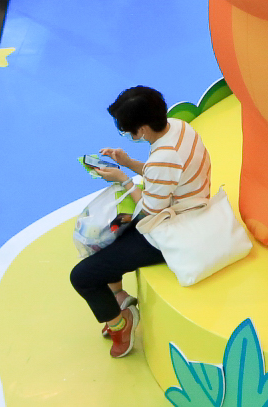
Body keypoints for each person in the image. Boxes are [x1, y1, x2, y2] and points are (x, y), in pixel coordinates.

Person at [74, 84, 215, 360]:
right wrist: (128, 162)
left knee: (83, 274)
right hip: (190, 207)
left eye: (128, 131)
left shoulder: (163, 158)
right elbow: (162, 173)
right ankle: (118, 297)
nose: (128, 136)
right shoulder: (179, 128)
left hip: (176, 229)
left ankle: (121, 322)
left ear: (141, 129)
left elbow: (151, 212)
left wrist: (123, 179)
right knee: (109, 234)